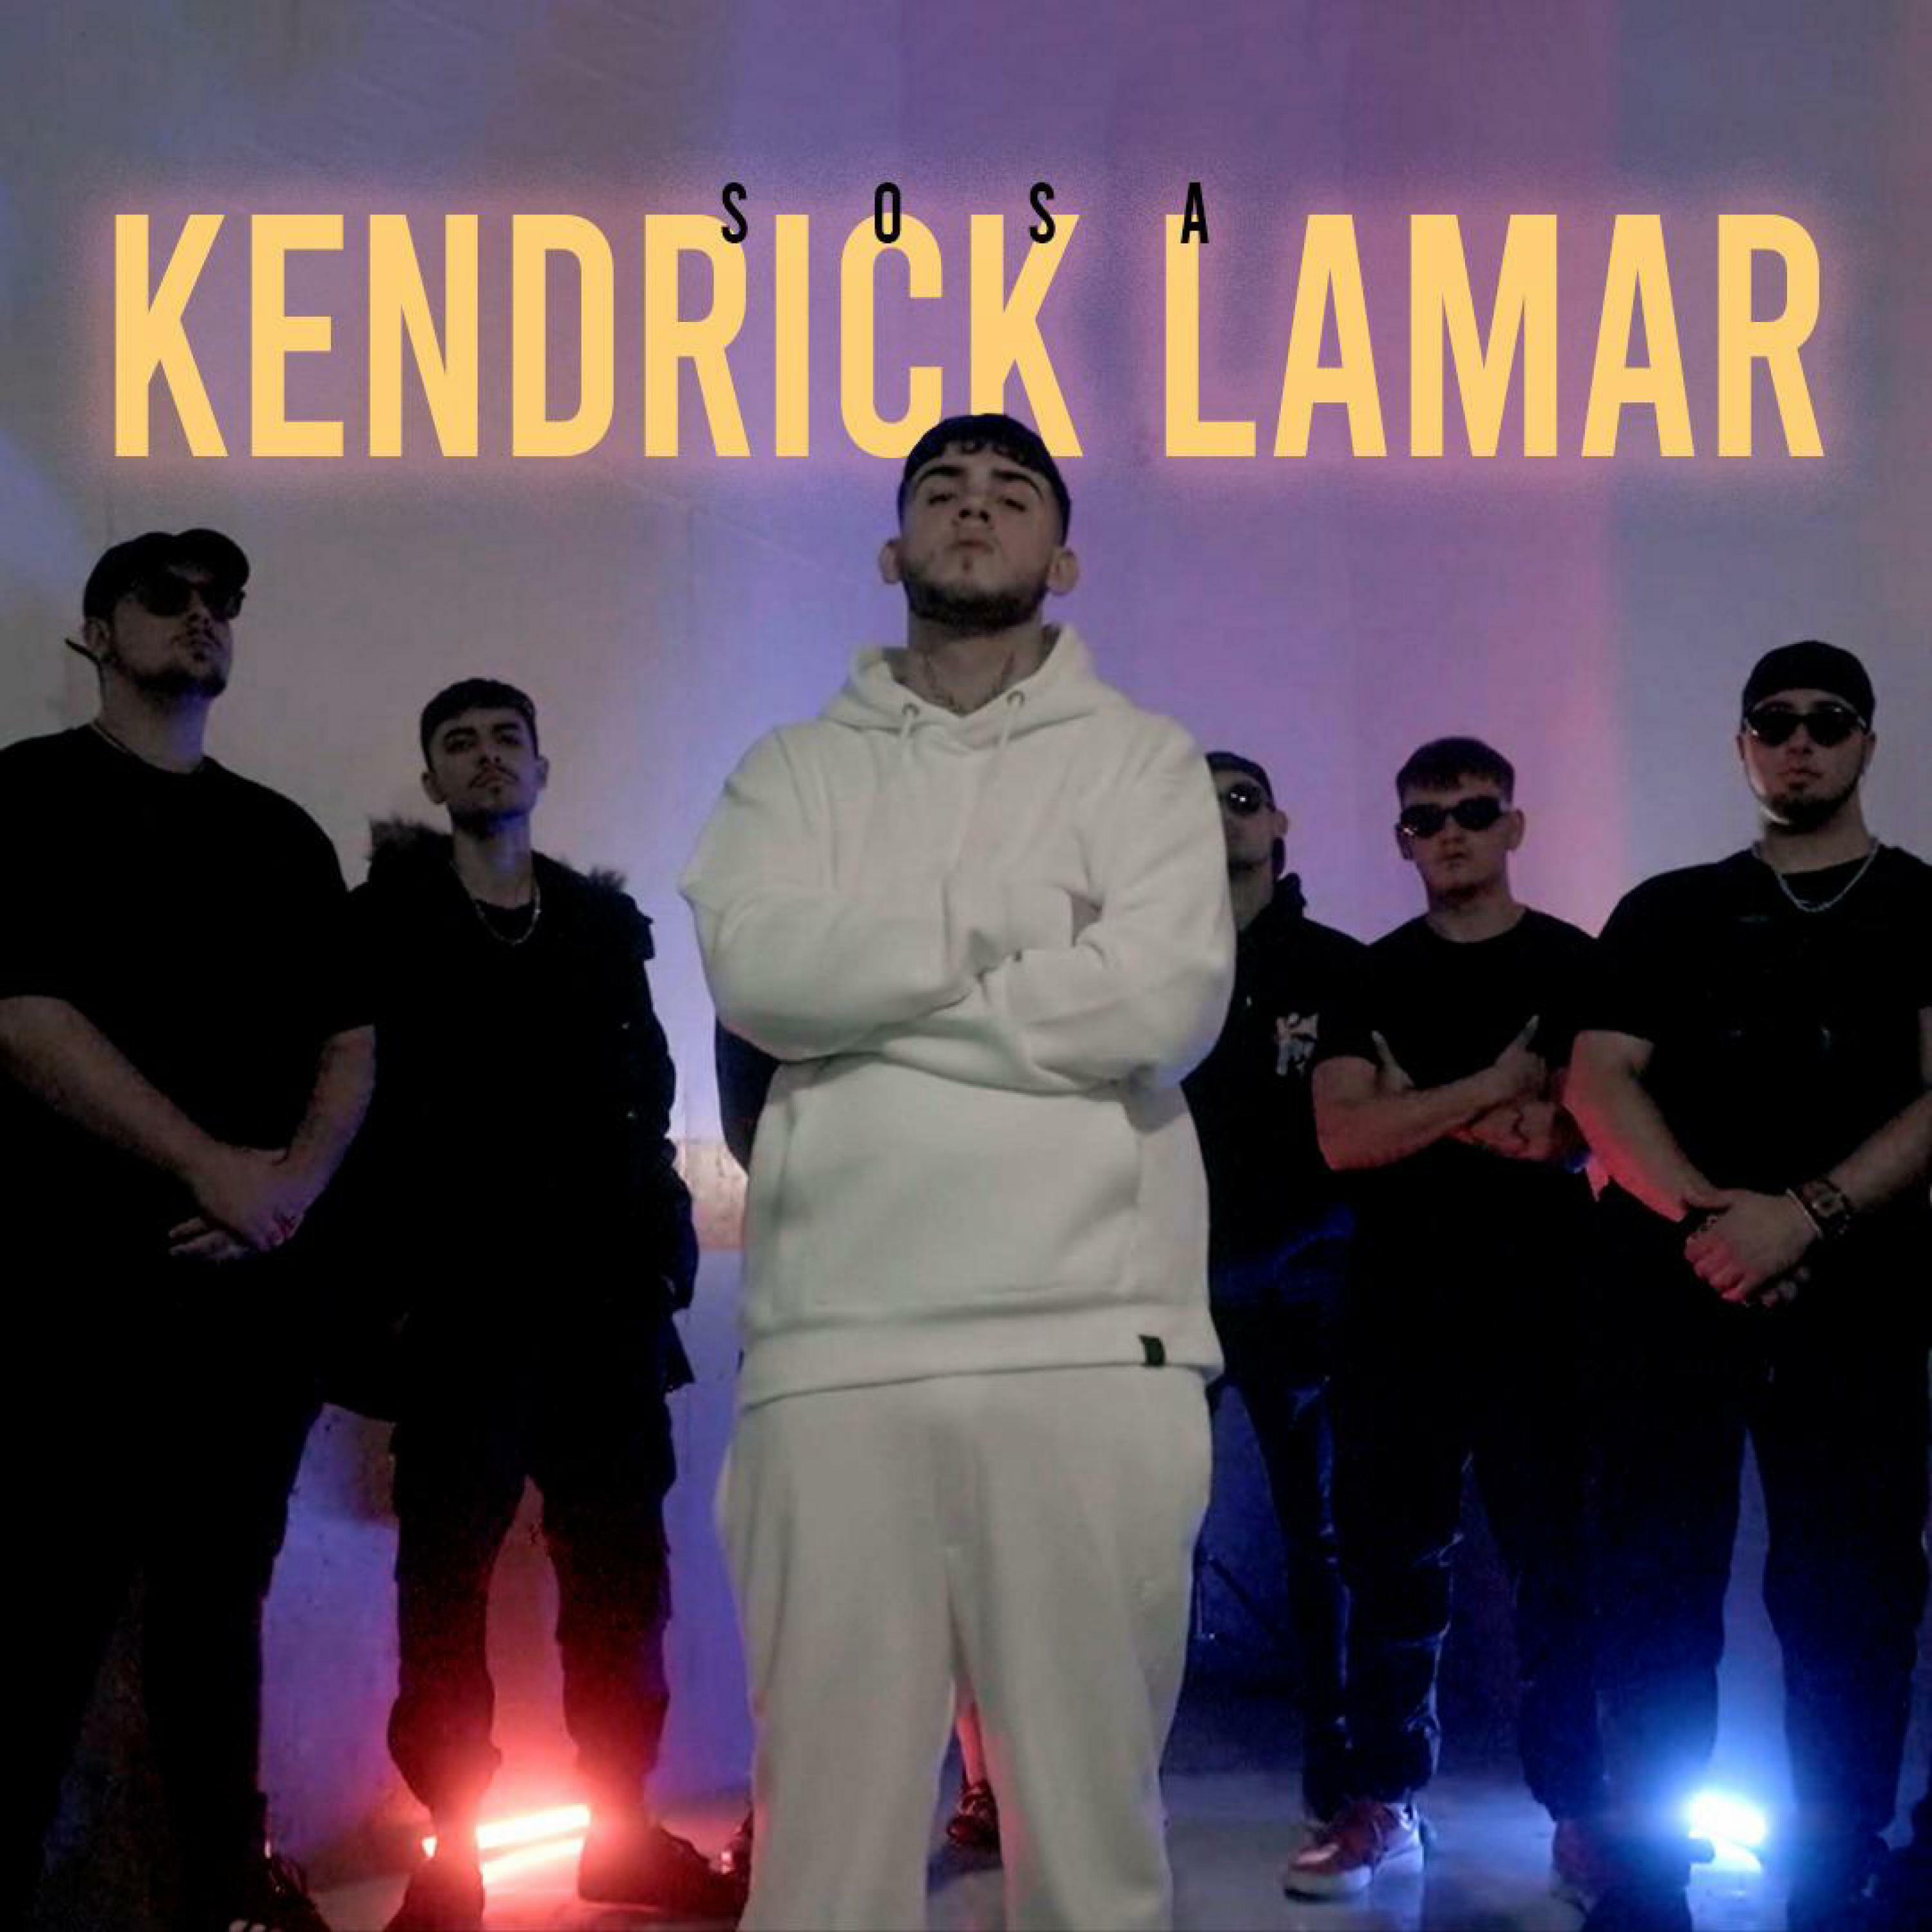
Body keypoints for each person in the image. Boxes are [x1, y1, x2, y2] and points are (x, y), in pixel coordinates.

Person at [682, 412, 1235, 1931]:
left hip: (1090, 1349)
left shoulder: (1143, 762)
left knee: (1093, 1855)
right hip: (834, 1353)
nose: (973, 510)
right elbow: (764, 973)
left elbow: (1158, 1006)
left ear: (1067, 556)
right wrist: (1010, 936)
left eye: (1010, 492)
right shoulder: (793, 769)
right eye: (942, 488)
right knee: (822, 1863)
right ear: (890, 549)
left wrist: (874, 999)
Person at [0, 528, 375, 1932]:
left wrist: (285, 1192)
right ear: (97, 634)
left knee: (218, 1629)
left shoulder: (281, 833)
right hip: (70, 1299)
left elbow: (353, 1044)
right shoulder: (24, 794)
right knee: (43, 1625)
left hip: (248, 1312)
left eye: (222, 601)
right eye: (165, 598)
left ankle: (223, 1900)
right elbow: (21, 1015)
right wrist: (211, 1167)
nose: (201, 615)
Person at [341, 679, 740, 1931]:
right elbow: (354, 1110)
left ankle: (620, 1834)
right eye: (458, 743)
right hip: (457, 1307)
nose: (486, 758)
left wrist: (666, 1254)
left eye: (506, 738)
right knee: (444, 1585)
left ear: (542, 767)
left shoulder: (599, 928)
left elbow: (646, 1096)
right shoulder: (385, 923)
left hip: (602, 1304)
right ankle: (450, 1855)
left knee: (623, 1578)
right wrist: (387, 1297)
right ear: (431, 781)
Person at [1568, 642, 1932, 1932]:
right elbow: (1598, 1079)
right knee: (1652, 1590)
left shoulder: (1921, 906)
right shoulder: (1670, 910)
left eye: (1828, 721)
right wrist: (1717, 1223)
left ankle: (1837, 1875)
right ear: (1742, 747)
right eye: (1774, 723)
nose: (1800, 743)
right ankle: (1645, 1881)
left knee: (1853, 1595)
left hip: (1861, 1300)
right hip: (1675, 1296)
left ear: (1867, 741)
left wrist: (1807, 1217)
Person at [1291, 736, 1607, 1903]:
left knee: (1561, 1567)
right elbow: (1345, 1138)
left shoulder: (1576, 965)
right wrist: (1489, 1091)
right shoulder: (1369, 977)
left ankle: (1583, 1810)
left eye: (1475, 811)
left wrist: (1417, 1107)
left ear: (1514, 825)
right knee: (1387, 1566)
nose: (1453, 834)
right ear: (1402, 841)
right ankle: (1383, 1802)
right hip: (1398, 1307)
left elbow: (1570, 1132)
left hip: (1546, 1304)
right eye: (1428, 819)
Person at [714, 1024, 1004, 1866]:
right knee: (818, 1570)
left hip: (932, 1278)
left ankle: (986, 1781)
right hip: (825, 1286)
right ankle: (795, 1805)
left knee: (959, 1548)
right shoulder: (780, 973)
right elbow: (757, 1130)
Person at [1180, 750, 1361, 1826]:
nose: (1222, 818)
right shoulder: (1149, 971)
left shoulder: (1335, 968)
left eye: (1241, 800)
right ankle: (1104, 1767)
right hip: (1165, 1287)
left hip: (1304, 1283)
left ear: (1279, 823)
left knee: (1323, 1530)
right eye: (1197, 802)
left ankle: (1342, 1756)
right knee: (1135, 1530)